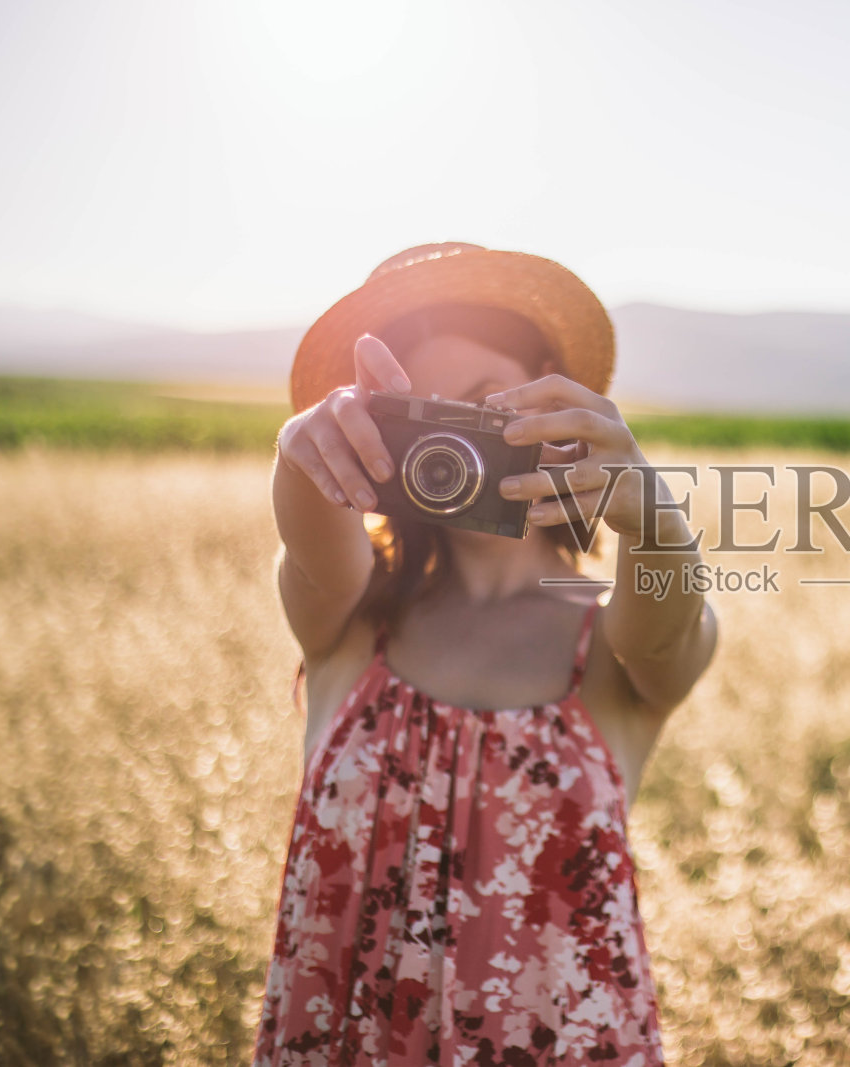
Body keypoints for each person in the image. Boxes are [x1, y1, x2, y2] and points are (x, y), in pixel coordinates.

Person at [252, 242, 717, 1065]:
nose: (456, 447)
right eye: (421, 419)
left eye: (481, 406)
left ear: (550, 391)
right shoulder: (356, 621)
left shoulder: (609, 644)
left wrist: (651, 513)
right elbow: (316, 542)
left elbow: (670, 623)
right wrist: (303, 445)